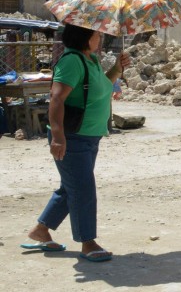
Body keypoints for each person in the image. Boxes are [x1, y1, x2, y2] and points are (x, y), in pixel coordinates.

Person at [22, 24, 128, 262]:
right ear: (85, 36)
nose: (100, 37)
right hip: (72, 138)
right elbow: (57, 98)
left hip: (89, 136)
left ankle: (41, 230)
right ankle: (88, 242)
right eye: (97, 34)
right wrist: (58, 137)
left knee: (72, 186)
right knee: (83, 189)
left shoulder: (89, 60)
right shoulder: (72, 61)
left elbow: (102, 87)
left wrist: (117, 69)